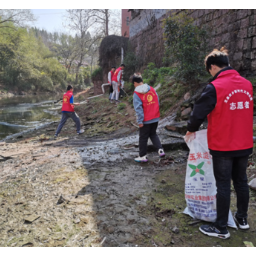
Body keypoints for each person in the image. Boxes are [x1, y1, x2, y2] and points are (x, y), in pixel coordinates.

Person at [186, 48, 253, 239]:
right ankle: (242, 219)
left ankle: (221, 228)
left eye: (210, 70)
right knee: (241, 182)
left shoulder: (215, 87)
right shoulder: (247, 85)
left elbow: (198, 111)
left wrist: (191, 128)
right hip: (244, 142)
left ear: (213, 66)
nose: (211, 74)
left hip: (223, 144)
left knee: (223, 185)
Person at [133, 73, 165, 163]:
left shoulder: (136, 93)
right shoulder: (151, 89)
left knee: (143, 138)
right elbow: (157, 102)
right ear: (142, 81)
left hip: (145, 120)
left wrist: (140, 121)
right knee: (153, 134)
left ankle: (142, 156)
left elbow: (138, 108)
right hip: (155, 117)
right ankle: (160, 150)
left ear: (135, 83)